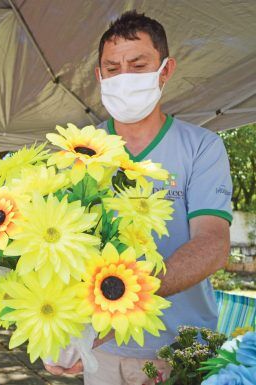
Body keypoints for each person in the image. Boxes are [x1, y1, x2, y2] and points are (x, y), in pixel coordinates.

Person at [43, 11, 232, 385]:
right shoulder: (76, 152)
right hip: (103, 350)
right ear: (99, 77)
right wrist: (58, 329)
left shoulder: (202, 147)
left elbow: (212, 243)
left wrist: (123, 294)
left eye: (138, 64)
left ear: (165, 70)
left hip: (181, 348)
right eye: (112, 68)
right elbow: (54, 247)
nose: (124, 77)